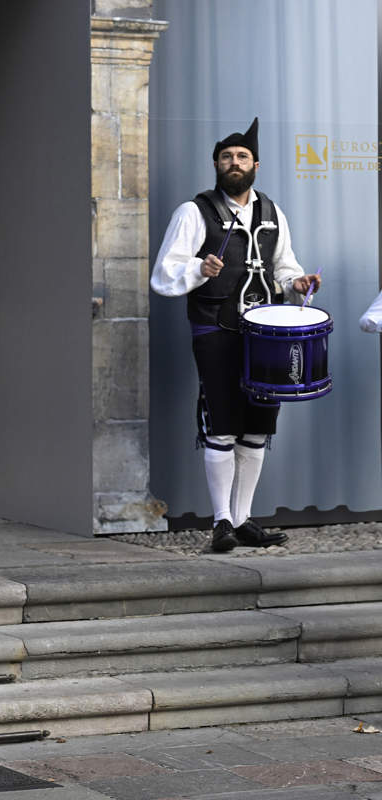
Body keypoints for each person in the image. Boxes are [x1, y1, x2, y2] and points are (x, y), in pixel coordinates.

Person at [151, 118, 322, 552]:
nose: (234, 162)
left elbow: (285, 266)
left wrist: (297, 283)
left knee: (258, 429)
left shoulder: (272, 212)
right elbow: (163, 274)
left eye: (242, 156)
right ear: (215, 164)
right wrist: (198, 268)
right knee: (223, 425)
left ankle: (245, 519)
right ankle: (221, 522)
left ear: (256, 165)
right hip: (216, 329)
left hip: (265, 335)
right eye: (226, 156)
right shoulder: (195, 211)